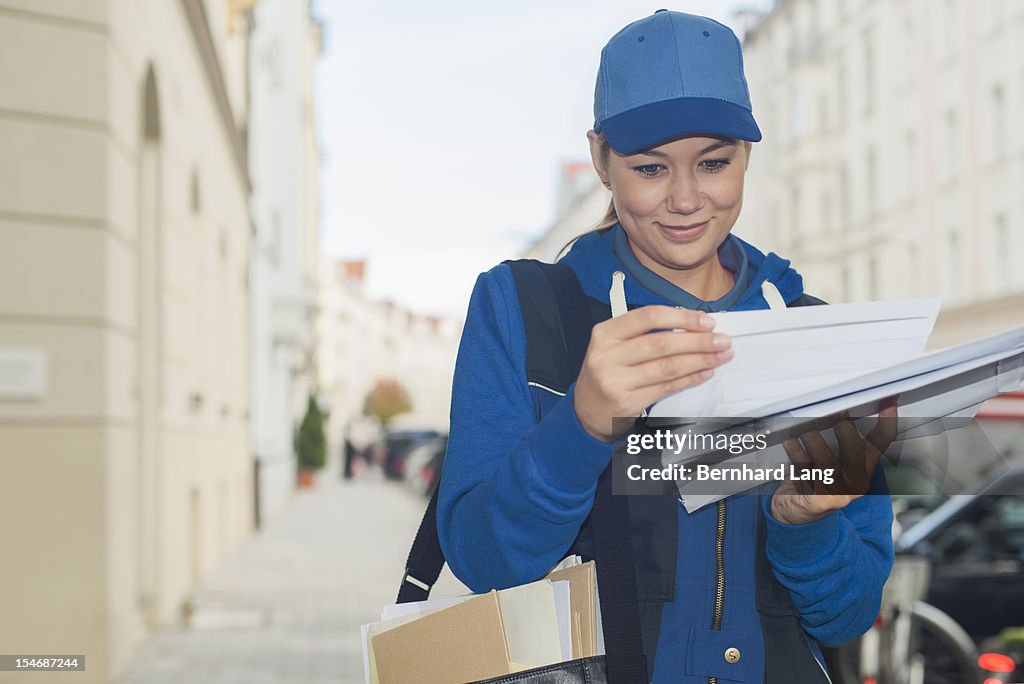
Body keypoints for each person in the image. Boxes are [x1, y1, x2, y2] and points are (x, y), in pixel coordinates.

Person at [437, 10, 895, 683]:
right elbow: (483, 564)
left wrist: (805, 523)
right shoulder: (523, 309)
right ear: (600, 158)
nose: (685, 199)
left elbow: (848, 617)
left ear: (747, 154)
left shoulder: (815, 335)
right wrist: (582, 425)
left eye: (714, 163)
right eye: (651, 168)